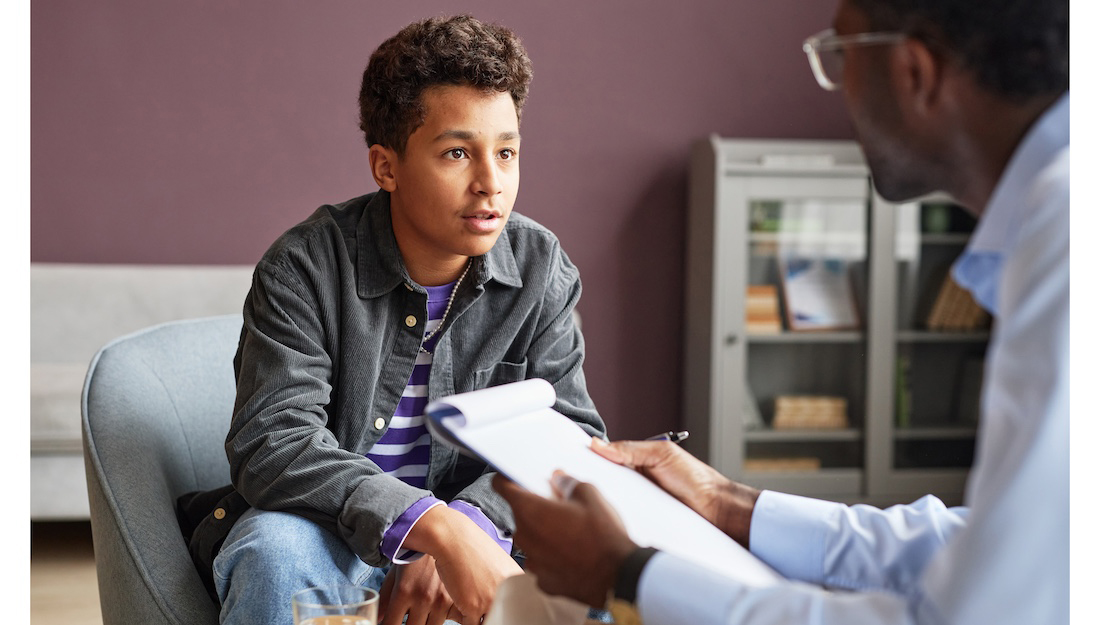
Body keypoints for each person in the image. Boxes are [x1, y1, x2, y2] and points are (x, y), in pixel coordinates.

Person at [494, 0, 1069, 623]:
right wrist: (728, 502)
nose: (837, 87)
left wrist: (625, 575)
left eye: (841, 55)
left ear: (915, 72)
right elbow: (969, 546)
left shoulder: (1068, 239)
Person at [181, 15, 607, 625]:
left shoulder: (542, 269)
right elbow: (273, 443)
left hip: (483, 531)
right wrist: (430, 528)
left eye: (506, 152)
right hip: (332, 536)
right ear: (386, 166)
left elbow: (570, 435)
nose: (491, 183)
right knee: (273, 552)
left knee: (608, 560)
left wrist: (470, 527)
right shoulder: (304, 265)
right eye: (458, 153)